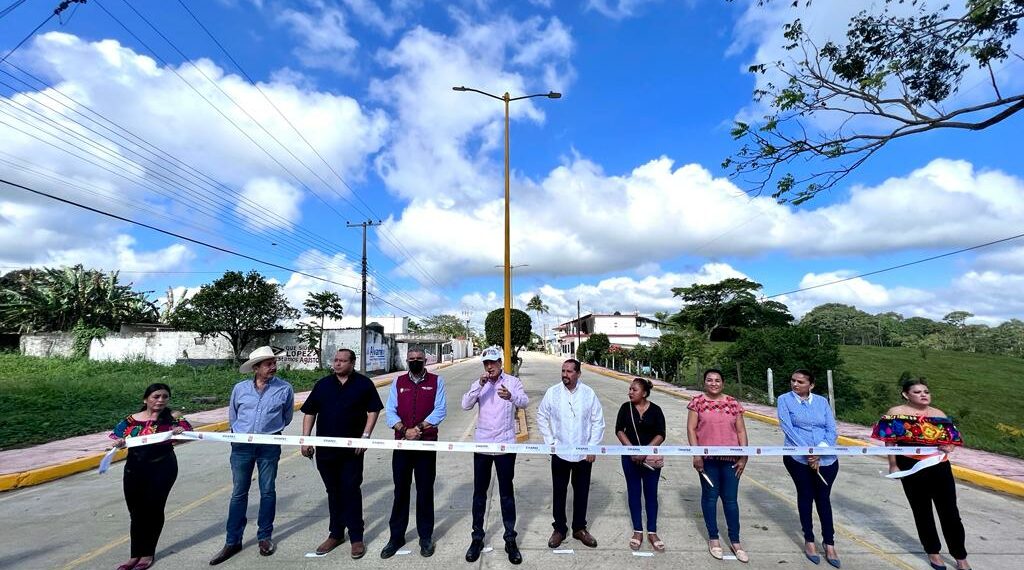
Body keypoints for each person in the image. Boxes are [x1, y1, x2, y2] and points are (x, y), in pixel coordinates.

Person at [210, 346, 295, 565]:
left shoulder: (285, 389)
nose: (273, 367)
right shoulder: (239, 389)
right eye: (268, 364)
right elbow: (234, 416)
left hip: (269, 445)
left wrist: (269, 433)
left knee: (268, 491)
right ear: (256, 368)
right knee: (239, 493)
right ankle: (232, 541)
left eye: (274, 363)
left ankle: (264, 537)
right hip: (241, 447)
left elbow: (286, 417)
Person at [873, 378, 969, 570]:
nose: (924, 394)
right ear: (905, 395)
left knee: (950, 512)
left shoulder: (939, 414)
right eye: (917, 392)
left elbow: (952, 439)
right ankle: (932, 551)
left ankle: (960, 555)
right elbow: (890, 441)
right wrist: (893, 465)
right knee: (922, 510)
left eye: (926, 391)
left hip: (939, 465)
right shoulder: (896, 413)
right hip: (910, 464)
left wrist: (949, 446)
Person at [300, 348, 383, 560]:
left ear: (352, 363)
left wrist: (365, 436)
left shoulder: (364, 384)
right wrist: (306, 439)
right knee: (333, 491)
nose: (337, 364)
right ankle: (336, 534)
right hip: (326, 451)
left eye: (342, 361)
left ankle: (356, 537)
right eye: (335, 360)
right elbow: (310, 411)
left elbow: (373, 410)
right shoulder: (323, 385)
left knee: (351, 490)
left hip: (351, 452)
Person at [110, 383, 192, 570]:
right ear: (145, 399)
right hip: (134, 468)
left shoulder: (173, 418)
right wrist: (120, 442)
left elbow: (188, 433)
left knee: (153, 510)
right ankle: (134, 555)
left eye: (165, 396)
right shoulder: (131, 420)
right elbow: (116, 437)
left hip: (162, 467)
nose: (160, 400)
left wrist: (180, 432)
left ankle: (147, 553)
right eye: (156, 396)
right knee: (136, 511)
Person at [461, 346, 529, 565]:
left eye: (493, 362)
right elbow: (465, 405)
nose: (489, 366)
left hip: (505, 445)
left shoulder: (512, 382)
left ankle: (510, 538)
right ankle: (477, 537)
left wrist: (511, 396)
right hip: (482, 445)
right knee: (479, 494)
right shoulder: (478, 383)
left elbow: (524, 402)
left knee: (506, 493)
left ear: (500, 362)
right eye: (486, 363)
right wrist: (478, 386)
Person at [380, 346, 448, 559]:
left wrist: (418, 429)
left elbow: (440, 410)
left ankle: (425, 537)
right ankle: (396, 537)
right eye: (412, 358)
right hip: (402, 445)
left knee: (425, 491)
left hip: (426, 445)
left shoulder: (437, 381)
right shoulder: (398, 382)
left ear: (425, 360)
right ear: (407, 360)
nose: (415, 361)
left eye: (419, 358)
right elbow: (390, 411)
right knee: (400, 491)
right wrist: (403, 430)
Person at [536, 358, 605, 549]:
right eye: (563, 371)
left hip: (583, 454)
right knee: (559, 492)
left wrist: (592, 447)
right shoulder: (553, 392)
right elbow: (542, 415)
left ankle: (579, 528)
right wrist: (550, 442)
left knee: (581, 492)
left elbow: (598, 421)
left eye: (569, 371)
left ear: (578, 374)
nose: (565, 375)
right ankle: (559, 529)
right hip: (560, 452)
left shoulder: (588, 394)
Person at [777, 369, 841, 568]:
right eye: (793, 380)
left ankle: (829, 542)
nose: (795, 384)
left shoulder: (822, 402)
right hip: (798, 457)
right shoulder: (784, 400)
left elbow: (831, 429)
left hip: (826, 458)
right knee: (805, 496)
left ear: (811, 385)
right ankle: (809, 539)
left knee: (823, 498)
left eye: (801, 382)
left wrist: (820, 451)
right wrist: (807, 452)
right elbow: (788, 428)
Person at [687, 369, 750, 563]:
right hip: (708, 461)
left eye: (717, 380)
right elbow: (691, 429)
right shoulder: (697, 403)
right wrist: (696, 454)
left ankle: (735, 541)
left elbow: (741, 431)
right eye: (709, 380)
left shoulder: (733, 403)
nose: (713, 383)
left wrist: (744, 456)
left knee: (731, 500)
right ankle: (713, 538)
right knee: (710, 497)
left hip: (731, 461)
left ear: (723, 383)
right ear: (705, 382)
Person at [615, 377, 666, 553]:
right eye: (629, 389)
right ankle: (638, 531)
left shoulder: (656, 410)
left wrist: (645, 452)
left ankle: (652, 532)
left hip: (651, 459)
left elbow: (661, 433)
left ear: (644, 393)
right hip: (630, 459)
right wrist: (632, 451)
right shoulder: (625, 408)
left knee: (651, 495)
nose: (630, 392)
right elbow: (619, 430)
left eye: (634, 389)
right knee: (634, 492)